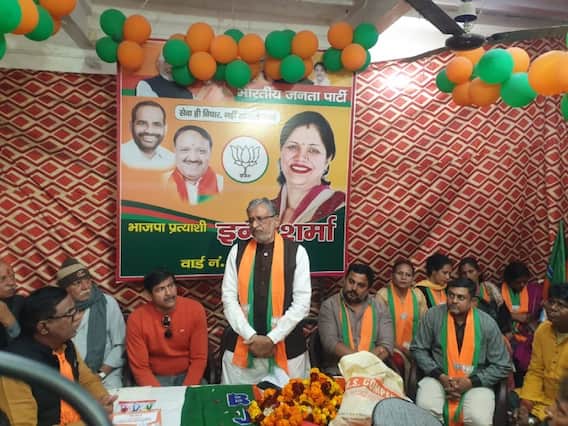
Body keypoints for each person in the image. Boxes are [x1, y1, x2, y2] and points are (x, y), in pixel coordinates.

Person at [221, 198, 311, 384]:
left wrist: (272, 339)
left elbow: (302, 304)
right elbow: (229, 299)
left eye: (260, 219)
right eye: (251, 220)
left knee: (291, 401)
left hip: (287, 350)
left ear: (276, 220)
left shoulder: (296, 252)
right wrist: (251, 337)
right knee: (238, 400)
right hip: (243, 347)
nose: (255, 225)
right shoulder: (237, 251)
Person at [0, 286, 115, 425]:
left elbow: (88, 381)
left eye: (75, 310)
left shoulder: (65, 345)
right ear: (43, 327)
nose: (78, 317)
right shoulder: (15, 368)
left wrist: (103, 401)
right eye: (69, 314)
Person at [410, 278, 512, 426]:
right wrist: (440, 375)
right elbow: (418, 348)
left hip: (476, 381)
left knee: (478, 418)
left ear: (473, 301)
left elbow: (502, 365)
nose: (454, 301)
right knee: (426, 407)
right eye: (451, 295)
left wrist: (471, 382)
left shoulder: (487, 323)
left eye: (461, 297)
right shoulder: (433, 316)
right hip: (439, 377)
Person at [126, 269, 208, 386]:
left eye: (171, 286)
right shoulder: (136, 319)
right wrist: (158, 393)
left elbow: (199, 358)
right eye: (160, 289)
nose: (169, 293)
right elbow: (140, 367)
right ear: (148, 295)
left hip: (187, 375)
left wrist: (186, 389)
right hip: (154, 377)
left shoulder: (195, 310)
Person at [56, 257, 125, 389]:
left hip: (105, 376)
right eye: (77, 283)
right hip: (68, 378)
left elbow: (120, 346)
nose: (86, 287)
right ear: (65, 288)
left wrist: (100, 375)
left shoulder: (107, 303)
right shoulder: (57, 310)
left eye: (88, 281)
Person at [319, 262, 394, 376]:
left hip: (373, 372)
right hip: (338, 372)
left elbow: (386, 345)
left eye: (361, 285)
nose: (353, 288)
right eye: (351, 282)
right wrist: (362, 362)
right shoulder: (329, 306)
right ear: (344, 280)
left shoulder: (380, 307)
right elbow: (330, 343)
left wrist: (367, 366)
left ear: (368, 288)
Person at [272, 111, 346, 223]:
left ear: (327, 159)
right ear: (281, 151)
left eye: (313, 150)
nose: (300, 157)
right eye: (292, 147)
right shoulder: (263, 210)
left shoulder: (341, 208)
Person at [514, 284, 568, 424]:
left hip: (563, 407)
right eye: (551, 302)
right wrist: (526, 404)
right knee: (511, 402)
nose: (553, 308)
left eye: (561, 305)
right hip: (541, 398)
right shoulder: (542, 330)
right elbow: (535, 371)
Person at [501, 261, 543, 386]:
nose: (522, 285)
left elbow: (536, 315)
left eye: (525, 281)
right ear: (509, 281)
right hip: (507, 334)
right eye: (518, 282)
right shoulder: (497, 292)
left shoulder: (534, 291)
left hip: (528, 334)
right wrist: (514, 316)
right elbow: (495, 315)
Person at [163, 125, 224, 205]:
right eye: (185, 150)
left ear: (210, 153)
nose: (193, 158)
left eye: (201, 151)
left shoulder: (223, 184)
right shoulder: (161, 182)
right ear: (175, 151)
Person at [376, 259, 427, 350]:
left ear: (412, 278)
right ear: (392, 276)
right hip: (389, 347)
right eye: (400, 273)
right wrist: (401, 349)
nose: (403, 277)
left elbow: (425, 323)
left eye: (408, 275)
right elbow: (378, 329)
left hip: (415, 347)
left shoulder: (417, 295)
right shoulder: (383, 295)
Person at [458, 257, 511, 334]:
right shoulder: (459, 293)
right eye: (464, 273)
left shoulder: (489, 288)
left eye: (471, 271)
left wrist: (505, 332)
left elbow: (502, 312)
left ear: (478, 272)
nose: (468, 276)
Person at [120, 100, 175, 170]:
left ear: (165, 128)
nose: (149, 131)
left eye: (156, 124)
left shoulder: (173, 160)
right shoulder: (120, 154)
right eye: (142, 123)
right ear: (131, 126)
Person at [0, 259, 24, 349]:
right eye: (3, 279)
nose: (12, 283)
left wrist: (10, 322)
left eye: (13, 277)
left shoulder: (21, 304)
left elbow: (25, 346)